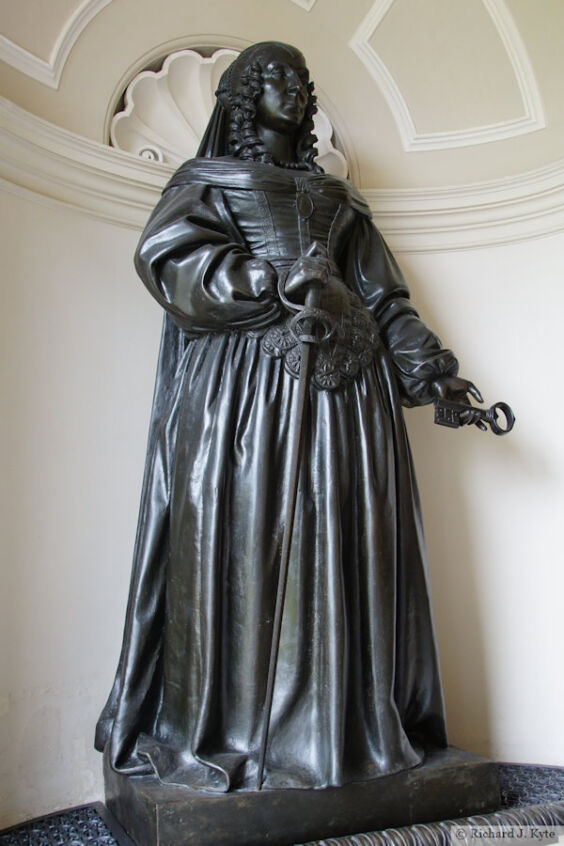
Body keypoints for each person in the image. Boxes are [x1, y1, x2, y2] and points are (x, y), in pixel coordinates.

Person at [95, 41, 482, 793]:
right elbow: (170, 259)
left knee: (345, 537)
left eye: (301, 79)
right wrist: (264, 275)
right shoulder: (205, 182)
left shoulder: (343, 202)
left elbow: (383, 297)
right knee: (247, 540)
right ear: (242, 97)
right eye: (273, 77)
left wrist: (434, 376)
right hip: (247, 391)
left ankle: (342, 728)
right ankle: (244, 731)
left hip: (350, 393)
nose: (293, 89)